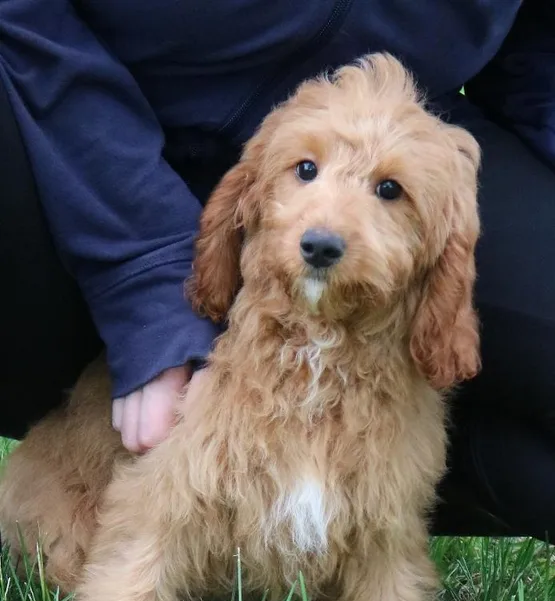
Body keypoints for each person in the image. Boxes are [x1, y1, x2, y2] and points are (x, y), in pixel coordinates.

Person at [1, 0, 554, 550]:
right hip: (81, 120)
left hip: (394, 134)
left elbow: (538, 52)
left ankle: (343, 510)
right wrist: (143, 279)